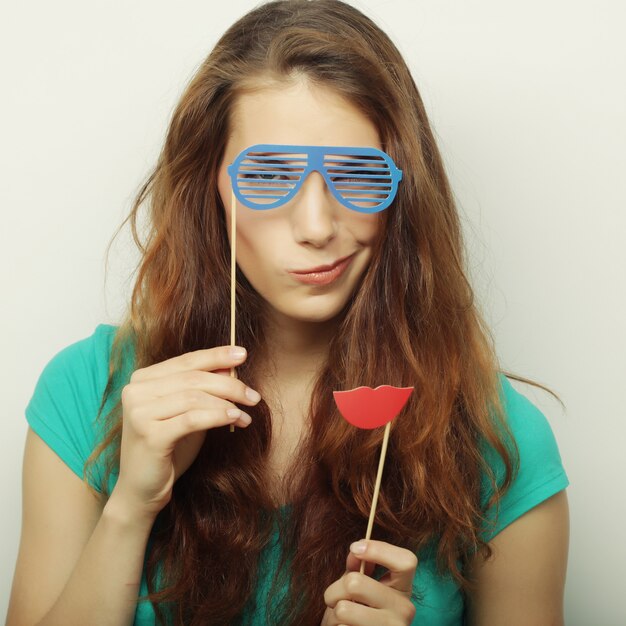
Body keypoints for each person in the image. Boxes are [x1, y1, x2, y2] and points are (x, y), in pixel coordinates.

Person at [7, 1, 570, 625]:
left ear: (403, 192)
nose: (315, 227)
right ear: (208, 187)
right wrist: (130, 509)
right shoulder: (86, 392)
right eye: (270, 174)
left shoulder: (500, 438)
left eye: (358, 174)